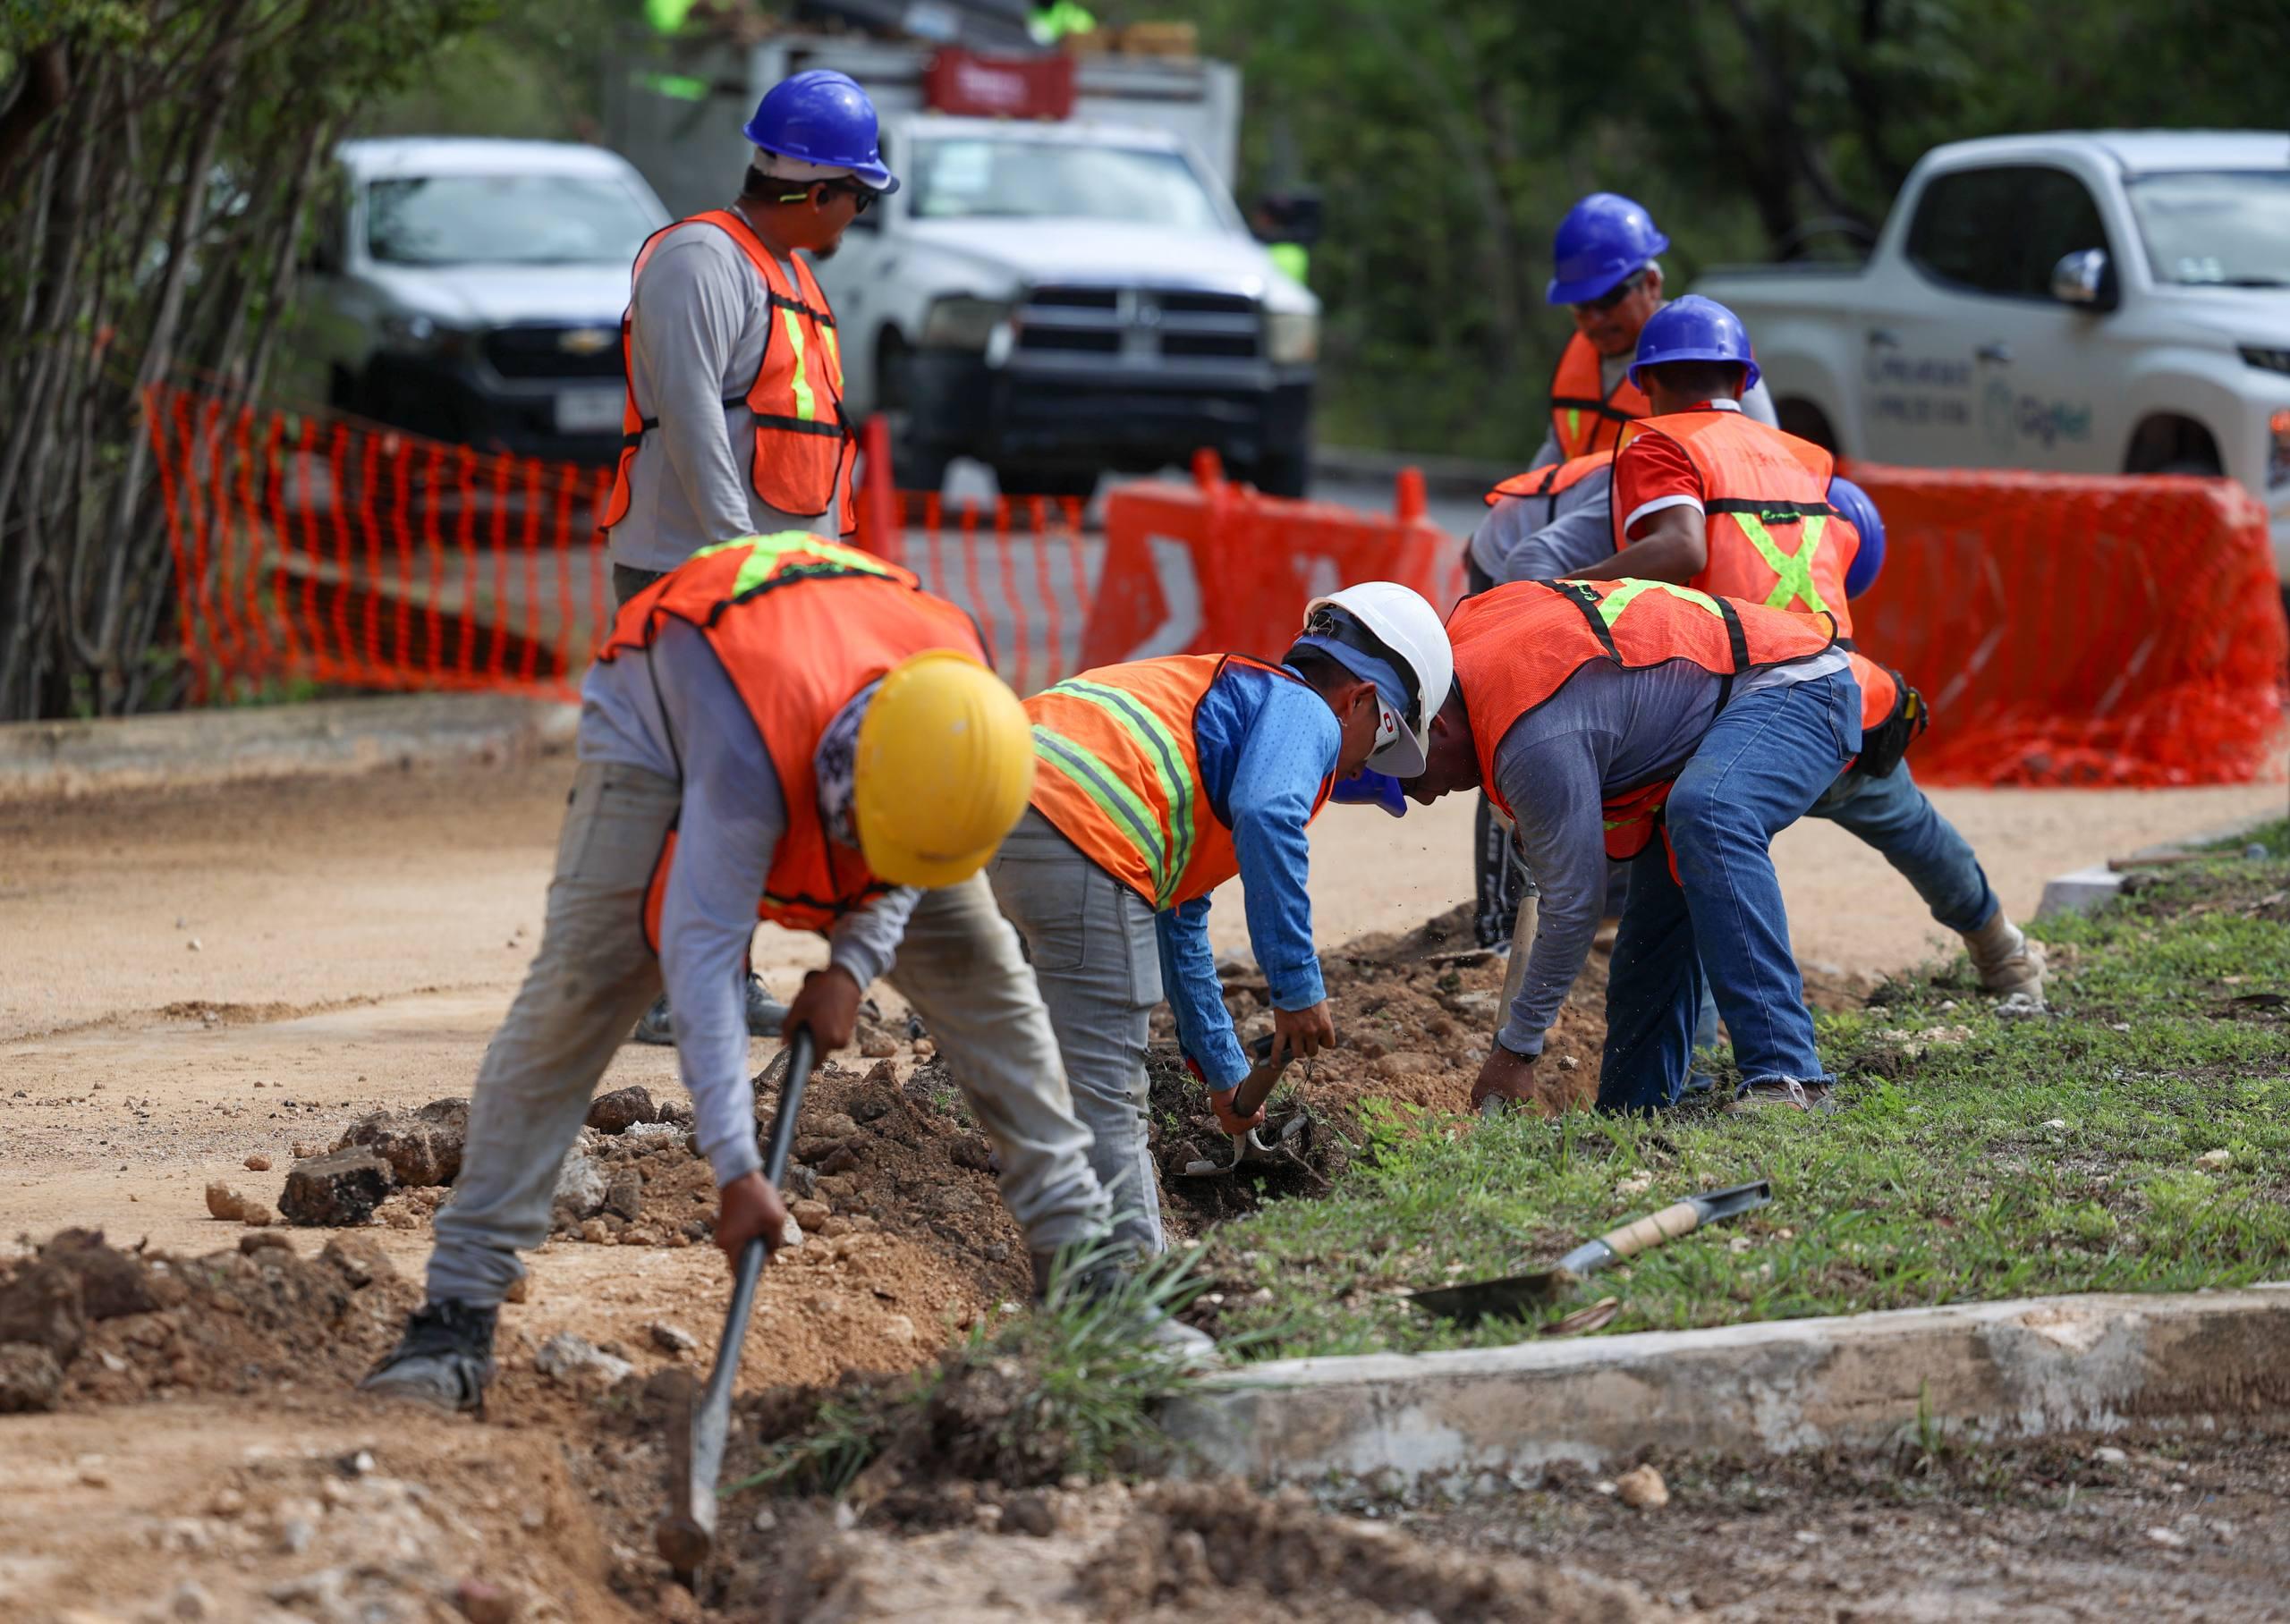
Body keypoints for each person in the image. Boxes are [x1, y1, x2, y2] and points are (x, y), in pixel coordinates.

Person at [360, 534, 1134, 1411]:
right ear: (842, 794)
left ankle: (1090, 1279)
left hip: (869, 720)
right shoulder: (746, 756)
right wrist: (737, 1170)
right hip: (669, 711)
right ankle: (455, 1317)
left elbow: (906, 865)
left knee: (988, 983)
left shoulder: (961, 718)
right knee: (582, 987)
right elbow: (700, 961)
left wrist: (851, 966)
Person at [1571, 295, 2045, 1004]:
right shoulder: (1805, 459)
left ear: (1649, 383)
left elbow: (1681, 548)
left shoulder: (1661, 443)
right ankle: (2004, 953)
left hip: (1734, 709)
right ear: (1742, 379)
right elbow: (1847, 559)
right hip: (1840, 692)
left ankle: (1703, 1049)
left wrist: (1572, 588)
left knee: (1696, 860)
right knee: (1913, 829)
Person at [988, 585, 1452, 1252]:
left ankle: (1024, 1208)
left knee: (1054, 1045)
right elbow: (1269, 813)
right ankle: (1130, 1282)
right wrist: (1297, 989)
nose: (1354, 772)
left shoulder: (1219, 707)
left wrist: (1226, 1071)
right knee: (1110, 1090)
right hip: (1082, 825)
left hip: (994, 796)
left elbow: (1178, 924)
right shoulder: (1306, 712)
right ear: (1360, 701)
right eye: (1379, 749)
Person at [597, 68, 899, 1047]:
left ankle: (718, 975)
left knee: (744, 794)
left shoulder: (791, 274)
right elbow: (692, 425)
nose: (859, 216)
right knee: (679, 783)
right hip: (693, 578)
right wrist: (742, 570)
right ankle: (657, 987)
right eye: (858, 196)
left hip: (768, 587)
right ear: (818, 192)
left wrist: (821, 583)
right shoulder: (701, 260)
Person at [1404, 575, 1858, 1116]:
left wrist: (1517, 1048)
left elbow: (1574, 907)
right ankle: (1630, 1120)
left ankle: (1790, 1079)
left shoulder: (1530, 734)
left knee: (1709, 813)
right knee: (1650, 938)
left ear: (1436, 726)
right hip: (1702, 725)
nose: (1421, 798)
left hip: (1793, 685)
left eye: (1411, 779)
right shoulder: (1462, 662)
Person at [1532, 192, 1778, 469]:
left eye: (1609, 298)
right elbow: (1558, 446)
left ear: (1651, 284)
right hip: (1590, 494)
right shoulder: (1577, 356)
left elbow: (1765, 457)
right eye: (1581, 305)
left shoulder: (1703, 349)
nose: (1595, 320)